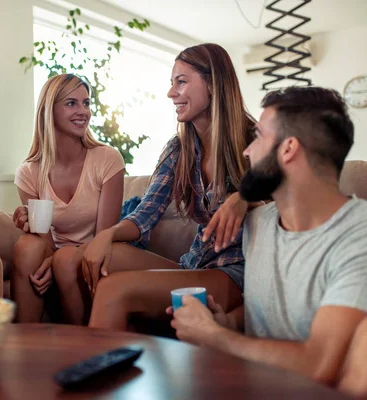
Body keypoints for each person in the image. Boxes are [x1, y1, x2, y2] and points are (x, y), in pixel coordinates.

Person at [167, 86, 367, 398]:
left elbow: (321, 365)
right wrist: (223, 322)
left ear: (288, 148)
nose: (247, 151)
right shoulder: (257, 225)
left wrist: (214, 337)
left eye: (259, 136)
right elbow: (268, 316)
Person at [84, 43, 259, 331]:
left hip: (233, 273)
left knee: (112, 290)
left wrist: (243, 198)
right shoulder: (179, 149)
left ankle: (92, 370)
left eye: (181, 82)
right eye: (171, 83)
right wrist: (108, 235)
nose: (170, 93)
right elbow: (145, 215)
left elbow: (288, 197)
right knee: (83, 258)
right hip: (193, 266)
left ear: (213, 84)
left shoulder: (256, 140)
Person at [12, 74, 125, 324]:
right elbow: (45, 242)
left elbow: (103, 237)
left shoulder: (107, 159)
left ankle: (84, 347)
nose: (83, 111)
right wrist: (30, 227)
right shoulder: (29, 172)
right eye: (71, 103)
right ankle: (24, 344)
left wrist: (58, 260)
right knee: (26, 246)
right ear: (48, 110)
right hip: (56, 259)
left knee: (64, 260)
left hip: (98, 256)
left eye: (86, 103)